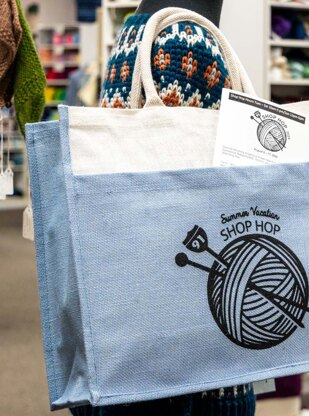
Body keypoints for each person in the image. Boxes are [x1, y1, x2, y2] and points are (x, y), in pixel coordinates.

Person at [70, 1, 256, 415]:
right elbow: (191, 206)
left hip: (128, 334)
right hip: (190, 375)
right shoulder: (186, 41)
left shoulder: (136, 31)